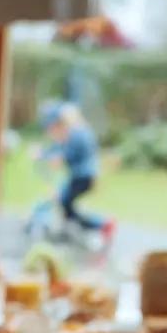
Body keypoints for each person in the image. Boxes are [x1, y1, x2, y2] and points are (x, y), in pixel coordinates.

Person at [36, 100, 113, 236]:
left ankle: (99, 224)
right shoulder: (81, 131)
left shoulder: (77, 133)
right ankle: (94, 225)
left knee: (64, 201)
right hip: (83, 176)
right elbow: (59, 147)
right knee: (65, 202)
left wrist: (45, 157)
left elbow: (65, 155)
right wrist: (45, 153)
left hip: (82, 176)